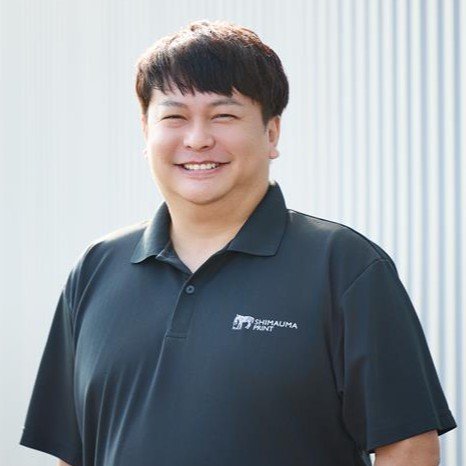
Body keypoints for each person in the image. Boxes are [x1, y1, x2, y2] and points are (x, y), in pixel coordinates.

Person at [19, 19, 456, 466]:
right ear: (146, 131)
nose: (197, 139)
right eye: (174, 117)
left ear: (272, 133)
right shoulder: (97, 268)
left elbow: (409, 447)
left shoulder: (344, 266)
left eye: (223, 115)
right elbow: (71, 453)